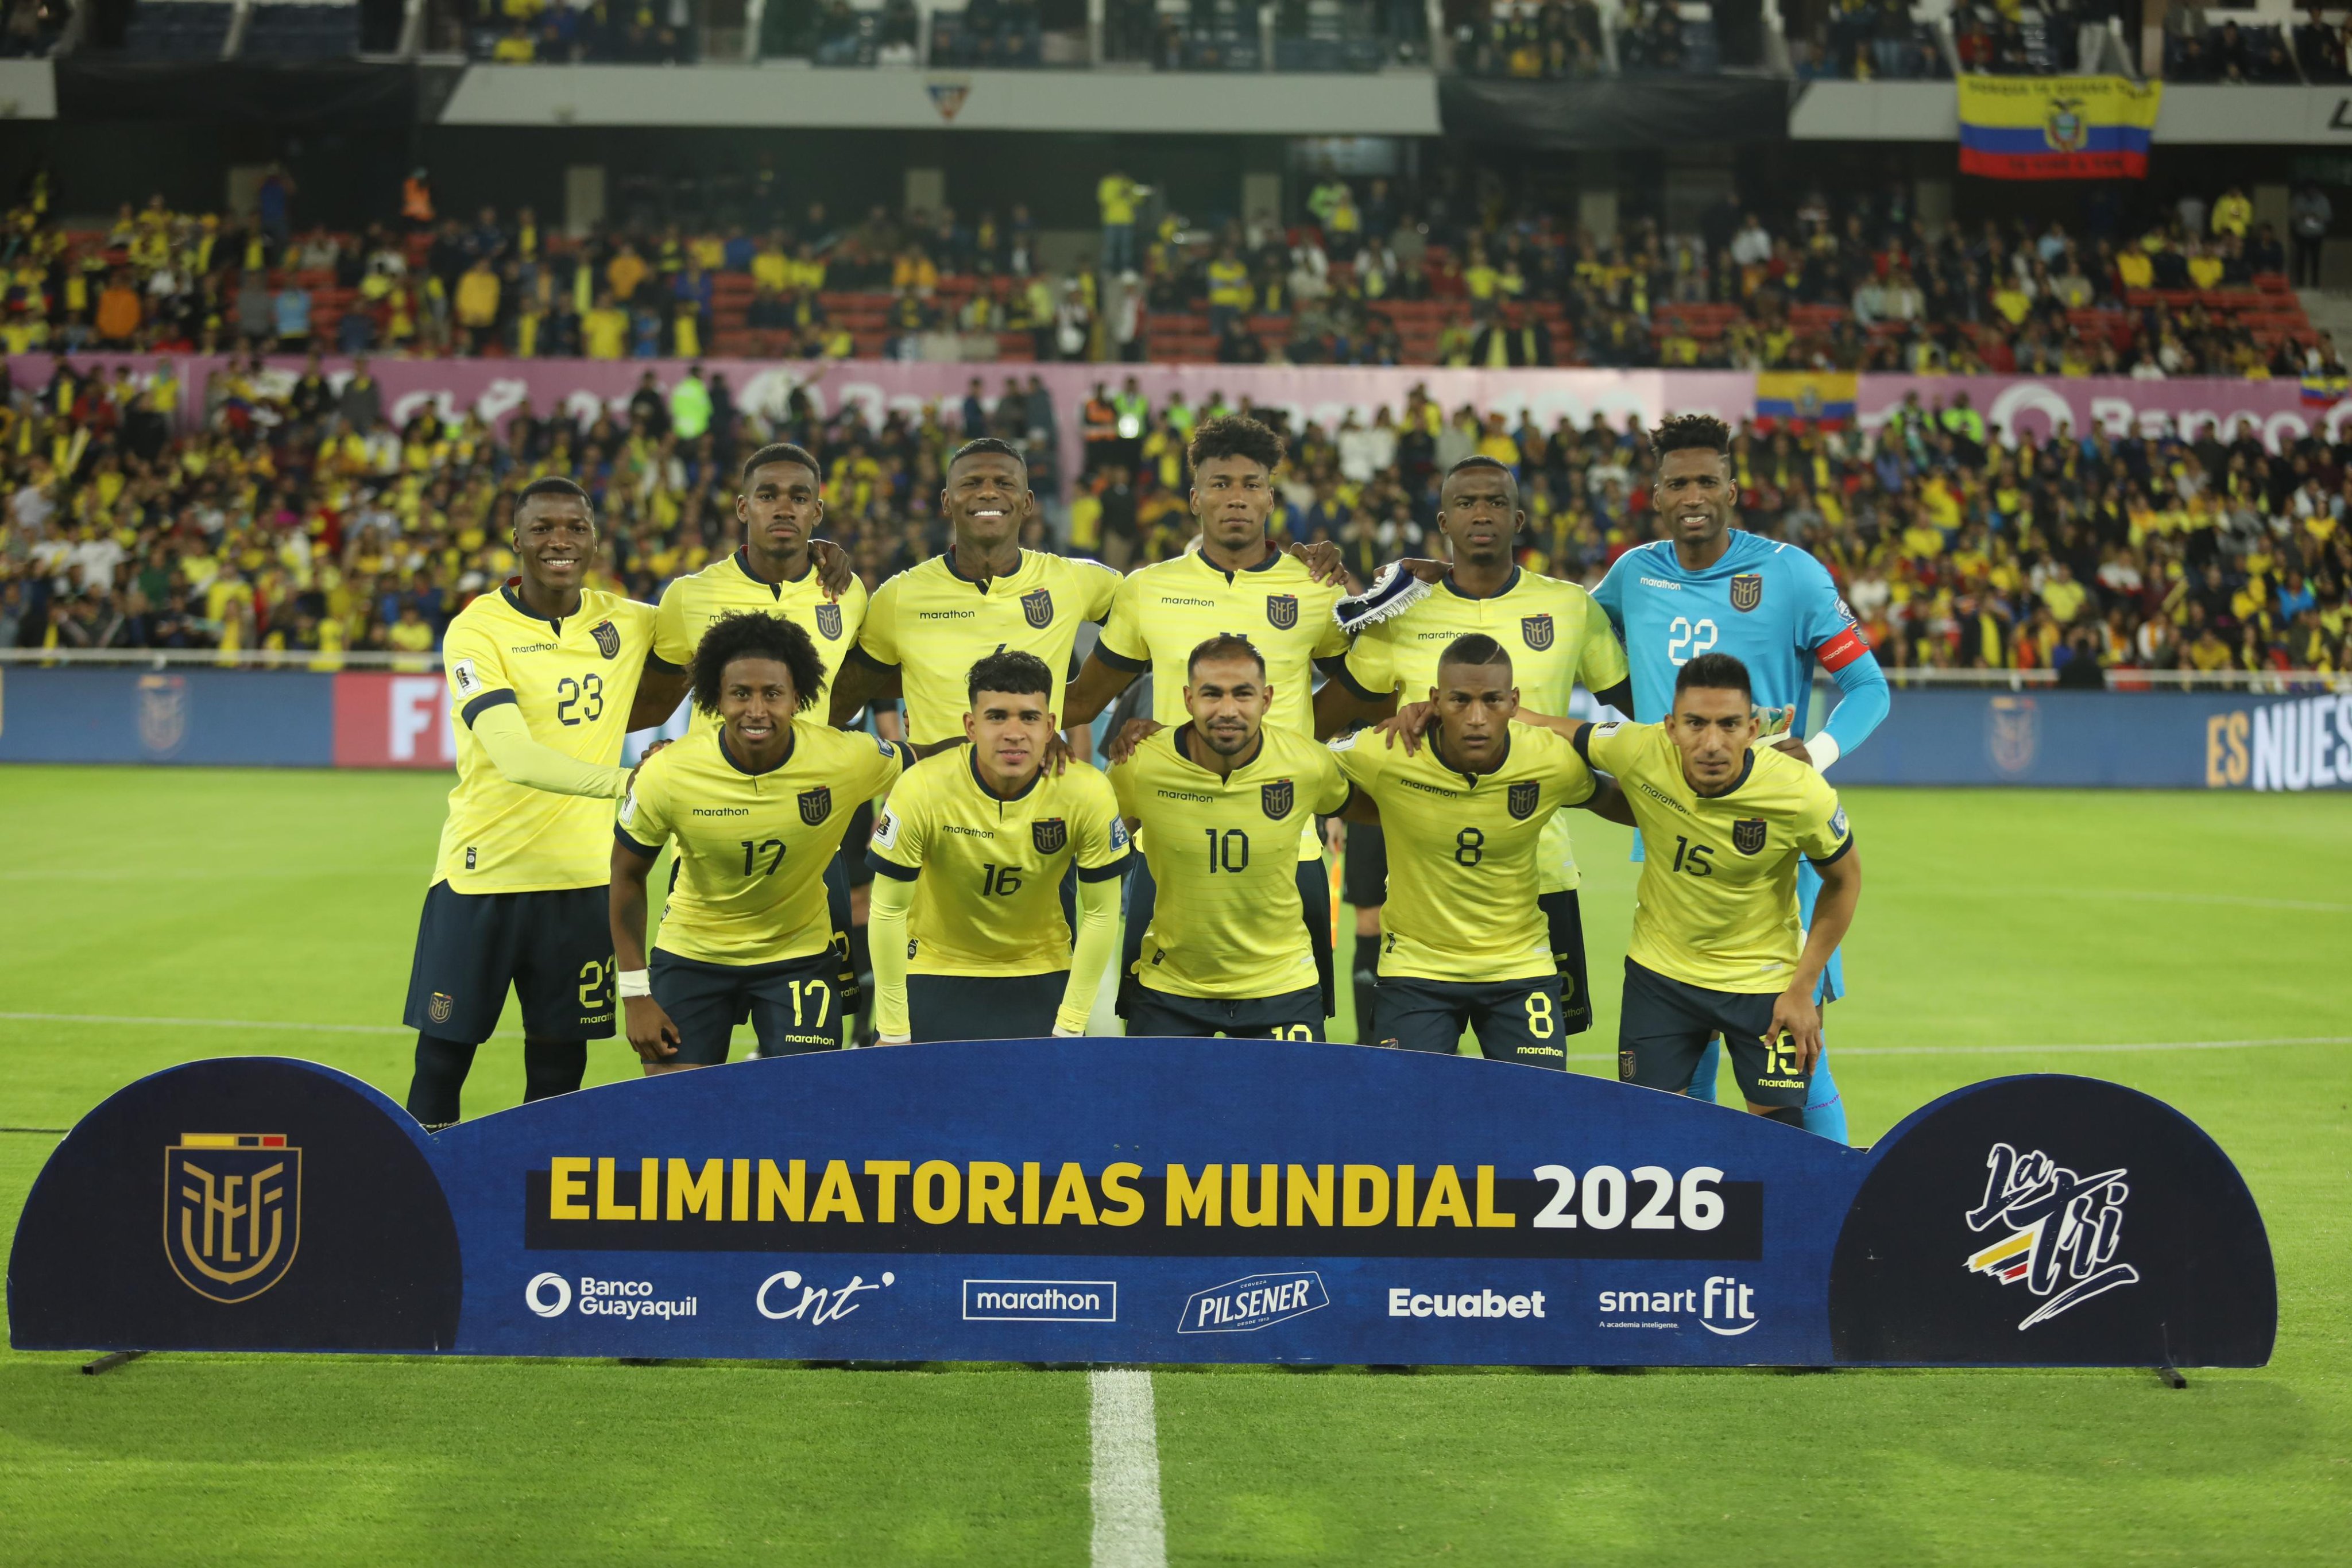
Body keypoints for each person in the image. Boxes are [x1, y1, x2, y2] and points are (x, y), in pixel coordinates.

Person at [1591, 413, 1888, 1143]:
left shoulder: (1790, 573)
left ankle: (1828, 1207)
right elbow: (1569, 640)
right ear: (1655, 494)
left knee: (1796, 1053)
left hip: (1778, 843)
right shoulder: (1632, 574)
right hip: (1677, 832)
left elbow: (1870, 689)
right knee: (1681, 1060)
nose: (1693, 495)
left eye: (1707, 480)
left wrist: (1811, 755)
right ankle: (1699, 1223)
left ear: (1732, 488)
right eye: (1677, 482)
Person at [1316, 454, 1633, 1044]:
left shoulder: (1569, 607)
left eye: (1494, 502)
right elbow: (1325, 717)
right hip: (1426, 879)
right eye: (1466, 503)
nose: (1480, 513)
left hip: (1541, 871)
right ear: (1443, 522)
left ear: (1518, 520)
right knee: (1418, 1090)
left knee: (1535, 1090)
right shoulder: (1401, 611)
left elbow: (1644, 710)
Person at [1062, 415, 1352, 1025]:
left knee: (1292, 1084)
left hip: (1287, 841)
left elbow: (1369, 690)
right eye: (1220, 484)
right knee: (1159, 1072)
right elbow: (1084, 702)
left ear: (1272, 496)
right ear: (1195, 499)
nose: (1236, 497)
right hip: (1167, 849)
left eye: (1251, 483)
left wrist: (1299, 744)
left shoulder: (1315, 588)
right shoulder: (1149, 590)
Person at [400, 477, 659, 1129]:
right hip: (482, 877)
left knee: (558, 1071)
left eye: (574, 527)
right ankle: (423, 1203)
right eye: (543, 528)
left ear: (595, 539)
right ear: (516, 540)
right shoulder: (476, 630)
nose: (560, 541)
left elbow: (718, 617)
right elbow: (514, 755)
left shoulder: (627, 620)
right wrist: (629, 783)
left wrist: (815, 563)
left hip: (582, 883)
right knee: (441, 1062)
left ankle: (523, 1208)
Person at [1546, 653, 1860, 1128]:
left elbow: (1845, 879)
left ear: (1754, 728)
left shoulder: (1799, 792)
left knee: (1781, 1143)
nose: (1712, 742)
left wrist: (1803, 987)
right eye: (1695, 723)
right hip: (1661, 977)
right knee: (1650, 1138)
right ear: (1670, 727)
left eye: (1729, 724)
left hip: (1765, 982)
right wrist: (1435, 712)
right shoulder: (1639, 748)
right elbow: (1543, 725)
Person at [633, 442, 868, 1044]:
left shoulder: (846, 591)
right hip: (710, 836)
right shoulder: (690, 596)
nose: (781, 508)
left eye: (797, 497)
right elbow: (656, 700)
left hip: (812, 839)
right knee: (683, 1071)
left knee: (804, 1075)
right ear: (743, 507)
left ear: (819, 509)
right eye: (767, 496)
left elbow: (858, 690)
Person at [610, 613, 911, 1071]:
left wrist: (1030, 743)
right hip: (694, 953)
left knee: (800, 1117)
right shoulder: (670, 773)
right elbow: (626, 876)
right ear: (715, 697)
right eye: (740, 694)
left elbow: (927, 758)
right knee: (674, 1113)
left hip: (798, 956)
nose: (756, 710)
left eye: (772, 694)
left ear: (798, 698)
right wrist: (635, 995)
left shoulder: (841, 757)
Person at [1335, 634, 1631, 1066]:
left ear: (1514, 702)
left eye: (1492, 700)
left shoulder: (1551, 760)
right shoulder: (1386, 751)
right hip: (1417, 969)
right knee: (1405, 1117)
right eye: (1459, 700)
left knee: (1537, 1114)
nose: (1476, 717)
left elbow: (1617, 801)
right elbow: (1303, 766)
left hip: (1519, 969)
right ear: (1434, 700)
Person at [866, 650, 1129, 1043]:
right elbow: (887, 909)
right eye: (996, 717)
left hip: (1041, 969)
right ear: (971, 726)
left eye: (1029, 717)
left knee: (1044, 1104)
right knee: (911, 1103)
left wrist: (1072, 1023)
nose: (1013, 732)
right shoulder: (922, 786)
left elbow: (1100, 913)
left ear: (1050, 726)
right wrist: (892, 1028)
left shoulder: (1086, 792)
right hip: (933, 966)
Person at [1108, 634, 1351, 1040]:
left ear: (1267, 698)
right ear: (1188, 699)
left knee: (1293, 1107)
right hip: (1172, 988)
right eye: (1211, 694)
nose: (1227, 710)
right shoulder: (1141, 765)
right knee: (1156, 1106)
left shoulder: (1307, 764)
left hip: (1282, 986)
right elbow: (1093, 835)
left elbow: (1368, 802)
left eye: (1243, 694)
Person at [827, 438, 1122, 754]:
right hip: (934, 799)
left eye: (1004, 483)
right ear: (946, 501)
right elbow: (840, 702)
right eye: (971, 483)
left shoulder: (1074, 580)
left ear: (1028, 502)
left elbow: (1153, 622)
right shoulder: (901, 596)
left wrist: (1095, 704)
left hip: (1038, 794)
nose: (988, 492)